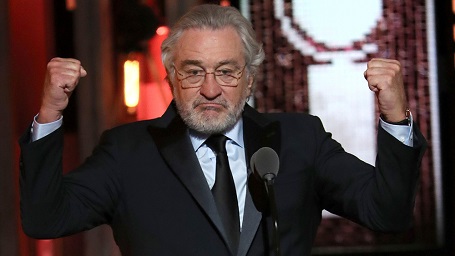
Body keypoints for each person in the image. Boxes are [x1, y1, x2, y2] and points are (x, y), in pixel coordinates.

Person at [19, 4, 427, 256]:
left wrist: (394, 117)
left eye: (227, 72)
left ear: (249, 80)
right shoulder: (128, 151)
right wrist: (51, 114)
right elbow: (46, 221)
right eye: (194, 72)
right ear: (171, 78)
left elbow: (386, 212)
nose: (211, 89)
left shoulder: (299, 139)